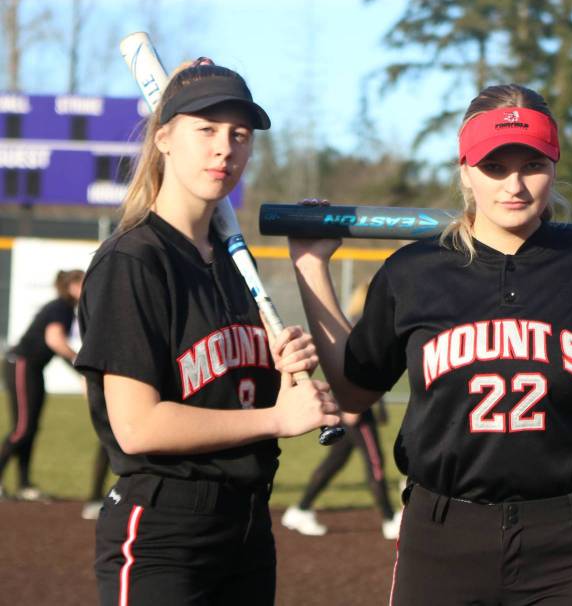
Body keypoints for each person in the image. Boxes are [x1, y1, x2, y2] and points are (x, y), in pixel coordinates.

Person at [289, 83, 572, 605]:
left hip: (570, 540)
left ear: (555, 166)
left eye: (532, 165)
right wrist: (311, 266)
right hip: (443, 533)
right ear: (466, 171)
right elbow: (354, 392)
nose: (514, 185)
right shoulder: (414, 272)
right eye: (495, 166)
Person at [74, 58, 341, 606]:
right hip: (165, 535)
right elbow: (138, 426)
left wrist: (283, 379)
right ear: (165, 138)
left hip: (246, 528)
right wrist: (276, 417)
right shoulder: (133, 261)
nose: (225, 148)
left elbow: (232, 399)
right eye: (207, 130)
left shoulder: (231, 266)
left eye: (239, 135)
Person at [283, 283, 402, 539]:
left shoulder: (361, 319)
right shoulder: (363, 321)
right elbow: (356, 366)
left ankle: (301, 509)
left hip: (355, 404)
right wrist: (352, 408)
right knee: (375, 462)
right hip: (356, 407)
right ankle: (390, 518)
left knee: (336, 461)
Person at [0, 269, 84, 501]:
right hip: (21, 364)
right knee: (22, 428)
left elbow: (56, 347)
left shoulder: (66, 309)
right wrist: (81, 363)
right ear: (71, 286)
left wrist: (80, 372)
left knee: (31, 428)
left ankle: (24, 485)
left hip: (33, 368)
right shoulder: (60, 307)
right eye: (83, 283)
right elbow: (54, 340)